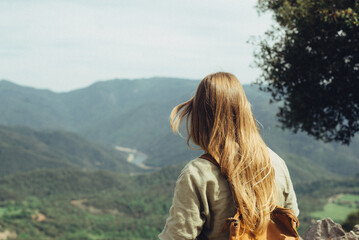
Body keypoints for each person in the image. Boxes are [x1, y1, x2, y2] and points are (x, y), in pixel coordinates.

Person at [158, 72, 299, 240]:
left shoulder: (197, 174)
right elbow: (293, 216)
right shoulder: (276, 162)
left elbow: (178, 236)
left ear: (200, 118)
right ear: (245, 112)